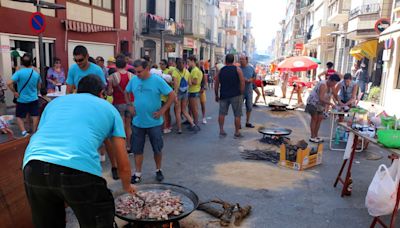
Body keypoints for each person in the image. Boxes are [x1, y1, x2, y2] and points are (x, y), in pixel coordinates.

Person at [22, 75, 135, 228]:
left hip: (33, 166)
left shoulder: (55, 103)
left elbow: (40, 133)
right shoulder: (109, 108)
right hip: (77, 169)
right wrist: (127, 186)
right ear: (102, 93)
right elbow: (123, 162)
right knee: (98, 221)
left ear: (77, 90)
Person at [125, 59, 175, 184]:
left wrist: (163, 110)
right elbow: (126, 92)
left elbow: (172, 95)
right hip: (138, 122)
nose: (137, 74)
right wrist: (129, 105)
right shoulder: (134, 80)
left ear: (147, 69)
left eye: (140, 72)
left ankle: (158, 170)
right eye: (136, 72)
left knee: (157, 149)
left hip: (154, 123)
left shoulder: (157, 80)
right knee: (137, 149)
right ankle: (137, 173)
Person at [7, 53, 41, 137]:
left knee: (19, 116)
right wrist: (35, 91)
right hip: (33, 98)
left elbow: (8, 83)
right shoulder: (36, 73)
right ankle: (34, 132)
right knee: (35, 115)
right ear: (32, 62)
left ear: (22, 62)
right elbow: (39, 85)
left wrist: (14, 92)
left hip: (21, 99)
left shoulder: (19, 72)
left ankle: (24, 132)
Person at [215, 54, 245, 138]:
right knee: (237, 114)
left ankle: (221, 130)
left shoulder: (221, 70)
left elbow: (216, 83)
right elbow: (242, 82)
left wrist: (216, 95)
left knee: (222, 113)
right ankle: (237, 132)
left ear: (225, 60)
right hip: (236, 95)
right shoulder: (237, 69)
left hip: (224, 95)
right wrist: (242, 93)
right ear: (233, 61)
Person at [107, 55, 134, 150]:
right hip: (130, 103)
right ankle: (129, 146)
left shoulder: (112, 77)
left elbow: (110, 93)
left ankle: (122, 147)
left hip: (118, 102)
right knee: (128, 126)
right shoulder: (132, 76)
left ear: (116, 65)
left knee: (121, 126)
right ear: (125, 65)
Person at [305, 74, 341, 143]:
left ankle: (316, 135)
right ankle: (312, 136)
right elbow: (321, 98)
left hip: (321, 104)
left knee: (320, 119)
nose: (334, 85)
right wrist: (330, 104)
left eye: (336, 83)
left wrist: (340, 103)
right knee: (314, 118)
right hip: (313, 102)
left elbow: (335, 95)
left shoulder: (332, 86)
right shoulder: (323, 85)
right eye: (334, 83)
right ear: (330, 80)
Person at [172, 58, 199, 134]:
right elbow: (190, 83)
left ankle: (179, 129)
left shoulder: (175, 72)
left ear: (176, 64)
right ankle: (193, 124)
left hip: (178, 93)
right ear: (184, 64)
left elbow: (176, 85)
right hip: (185, 92)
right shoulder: (187, 71)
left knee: (178, 111)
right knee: (184, 110)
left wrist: (175, 95)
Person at [239, 55, 256, 128]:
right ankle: (238, 123)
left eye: (242, 59)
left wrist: (250, 80)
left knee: (249, 107)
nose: (241, 60)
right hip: (240, 91)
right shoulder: (238, 69)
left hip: (249, 90)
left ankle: (247, 122)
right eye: (240, 59)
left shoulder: (251, 68)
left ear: (246, 60)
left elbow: (254, 77)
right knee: (239, 108)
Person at [188, 55, 203, 126]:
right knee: (193, 108)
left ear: (192, 61)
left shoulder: (194, 70)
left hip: (193, 91)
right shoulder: (196, 69)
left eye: (188, 62)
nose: (188, 63)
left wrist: (188, 81)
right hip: (195, 90)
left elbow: (195, 82)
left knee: (194, 109)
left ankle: (195, 124)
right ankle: (194, 123)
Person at [159, 59, 173, 133]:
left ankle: (168, 126)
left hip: (167, 94)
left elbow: (171, 83)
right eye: (160, 64)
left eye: (162, 64)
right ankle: (164, 126)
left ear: (165, 65)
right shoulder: (159, 71)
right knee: (162, 111)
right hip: (160, 95)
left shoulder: (168, 71)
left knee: (167, 111)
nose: (160, 65)